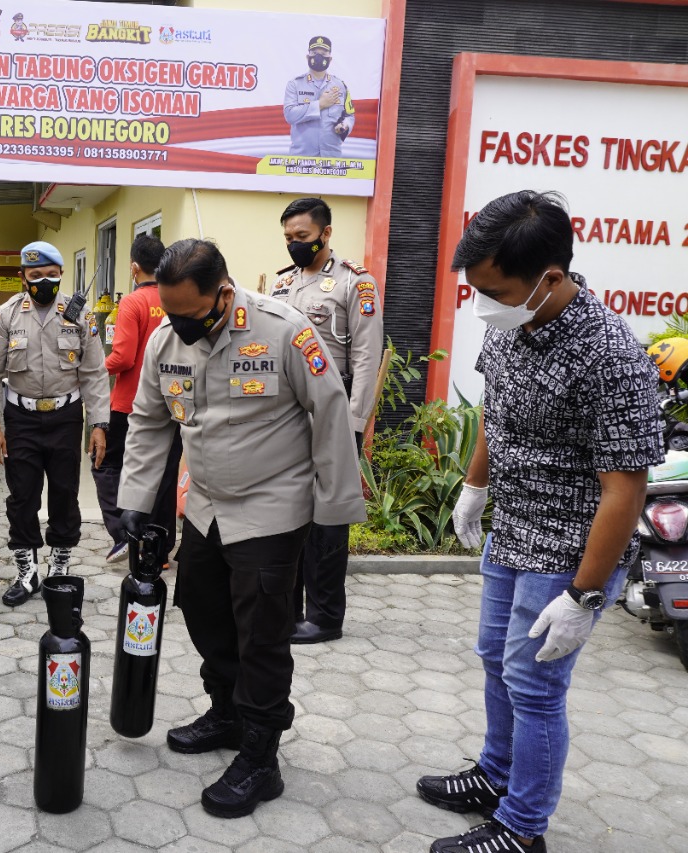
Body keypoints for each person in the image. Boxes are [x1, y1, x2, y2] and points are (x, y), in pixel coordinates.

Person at [417, 191, 663, 853]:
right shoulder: (508, 320)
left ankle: (522, 828)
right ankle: (495, 775)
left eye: (494, 289)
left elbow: (624, 490)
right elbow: (493, 413)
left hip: (567, 547)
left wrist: (584, 594)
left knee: (536, 683)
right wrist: (474, 486)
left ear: (549, 278)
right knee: (496, 662)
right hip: (513, 528)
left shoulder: (611, 358)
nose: (481, 303)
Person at [116, 239, 363, 820]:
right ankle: (227, 712)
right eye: (168, 314)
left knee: (263, 635)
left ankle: (261, 756)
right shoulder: (166, 338)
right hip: (205, 504)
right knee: (201, 609)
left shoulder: (284, 331)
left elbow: (330, 414)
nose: (177, 326)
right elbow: (150, 423)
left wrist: (332, 511)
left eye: (188, 315)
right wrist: (134, 499)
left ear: (222, 294)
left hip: (272, 506)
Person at [271, 197, 384, 644]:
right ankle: (288, 609)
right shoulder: (284, 285)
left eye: (301, 237)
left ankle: (324, 617)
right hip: (289, 417)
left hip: (333, 412)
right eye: (288, 239)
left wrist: (354, 425)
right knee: (291, 513)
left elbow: (366, 355)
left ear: (325, 233)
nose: (294, 245)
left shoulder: (355, 284)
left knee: (328, 519)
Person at [0, 240, 110, 606]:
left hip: (67, 417)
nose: (44, 282)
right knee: (22, 496)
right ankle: (27, 571)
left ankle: (60, 566)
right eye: (36, 276)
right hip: (20, 417)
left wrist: (99, 424)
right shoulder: (6, 315)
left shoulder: (79, 314)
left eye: (51, 276)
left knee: (65, 493)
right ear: (22, 277)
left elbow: (95, 374)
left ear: (61, 275)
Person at [92, 234, 181, 565]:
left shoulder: (131, 302)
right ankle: (160, 552)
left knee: (106, 465)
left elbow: (124, 357)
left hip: (130, 403)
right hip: (173, 403)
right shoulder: (175, 297)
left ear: (134, 267)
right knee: (164, 474)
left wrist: (92, 370)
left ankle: (124, 535)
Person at [283, 36, 355, 157]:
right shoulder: (295, 84)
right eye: (314, 53)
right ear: (308, 57)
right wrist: (320, 104)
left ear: (330, 59)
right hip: (301, 158)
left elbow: (349, 115)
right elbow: (290, 115)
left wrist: (345, 125)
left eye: (323, 53)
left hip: (331, 158)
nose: (318, 56)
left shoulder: (341, 86)